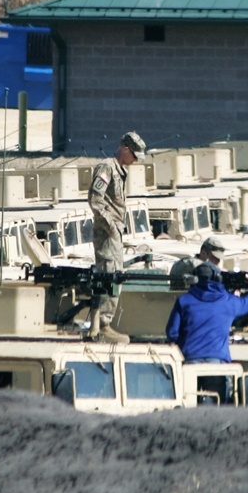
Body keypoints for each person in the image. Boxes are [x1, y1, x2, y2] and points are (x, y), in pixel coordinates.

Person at [165, 260, 248, 403]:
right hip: (217, 365)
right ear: (217, 277)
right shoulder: (228, 302)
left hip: (189, 363)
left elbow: (172, 333)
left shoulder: (184, 301)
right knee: (219, 410)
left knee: (189, 405)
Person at [87, 130, 146, 343]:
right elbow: (95, 200)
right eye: (135, 155)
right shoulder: (107, 168)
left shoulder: (120, 170)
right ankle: (103, 324)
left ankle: (102, 322)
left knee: (115, 275)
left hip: (115, 232)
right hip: (107, 233)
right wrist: (111, 226)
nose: (136, 161)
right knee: (109, 275)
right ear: (125, 149)